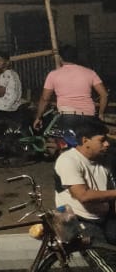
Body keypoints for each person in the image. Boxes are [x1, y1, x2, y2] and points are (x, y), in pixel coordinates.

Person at [53, 117, 116, 246]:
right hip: (76, 220)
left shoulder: (105, 160)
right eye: (102, 140)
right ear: (85, 140)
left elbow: (112, 196)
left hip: (103, 216)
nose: (107, 144)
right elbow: (83, 195)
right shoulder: (68, 160)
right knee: (105, 262)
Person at [34, 45, 108, 131]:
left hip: (67, 116)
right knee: (85, 143)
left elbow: (45, 98)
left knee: (70, 143)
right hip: (89, 116)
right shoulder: (90, 72)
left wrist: (38, 117)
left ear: (60, 58)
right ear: (76, 58)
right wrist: (101, 114)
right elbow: (104, 95)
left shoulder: (53, 75)